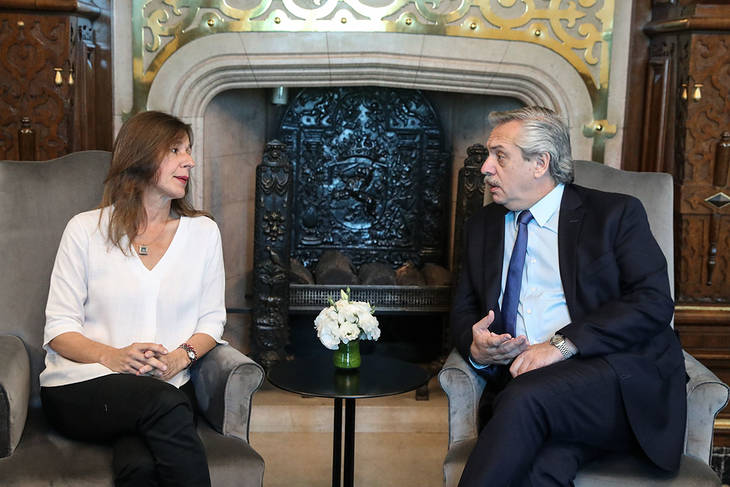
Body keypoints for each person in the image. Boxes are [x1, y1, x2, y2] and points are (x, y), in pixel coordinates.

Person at [451, 106, 686, 486]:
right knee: (542, 469)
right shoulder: (482, 226)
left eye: (500, 156)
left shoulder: (613, 214)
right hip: (527, 385)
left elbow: (653, 301)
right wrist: (477, 349)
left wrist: (562, 345)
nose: (485, 168)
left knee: (525, 398)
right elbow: (462, 312)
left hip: (611, 380)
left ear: (540, 163)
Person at [40, 111, 226, 486]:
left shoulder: (203, 233)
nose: (189, 161)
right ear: (141, 155)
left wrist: (180, 358)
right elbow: (59, 329)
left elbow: (212, 320)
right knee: (167, 406)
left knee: (139, 467)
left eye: (189, 150)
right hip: (82, 385)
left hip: (163, 387)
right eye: (176, 150)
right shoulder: (85, 230)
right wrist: (113, 356)